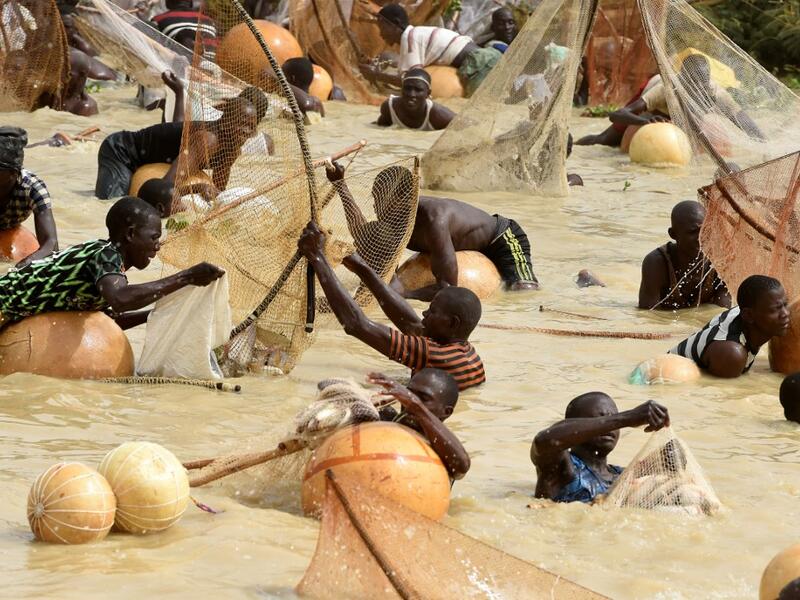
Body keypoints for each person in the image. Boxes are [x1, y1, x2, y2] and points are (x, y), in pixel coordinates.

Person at [298, 221, 486, 391]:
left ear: (452, 323)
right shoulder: (463, 352)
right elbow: (411, 326)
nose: (424, 312)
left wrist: (317, 258)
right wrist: (360, 266)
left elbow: (356, 324)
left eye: (433, 311)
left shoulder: (433, 354)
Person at [0, 197, 223, 330]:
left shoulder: (108, 266)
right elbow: (121, 300)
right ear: (131, 234)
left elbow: (108, 320)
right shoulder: (104, 255)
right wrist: (187, 277)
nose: (158, 244)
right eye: (154, 237)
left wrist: (156, 314)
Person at [325, 162, 538, 298]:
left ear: (404, 201)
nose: (375, 207)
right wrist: (341, 186)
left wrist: (404, 294)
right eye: (375, 200)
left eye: (381, 201)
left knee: (522, 291)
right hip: (468, 246)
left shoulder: (434, 219)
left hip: (501, 238)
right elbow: (364, 236)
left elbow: (448, 287)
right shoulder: (395, 219)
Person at [95, 77, 268, 199]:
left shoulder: (232, 150)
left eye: (252, 127)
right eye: (242, 123)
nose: (247, 131)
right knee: (111, 202)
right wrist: (198, 187)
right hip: (122, 152)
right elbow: (167, 187)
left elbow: (219, 191)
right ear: (224, 122)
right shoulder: (207, 140)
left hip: (145, 161)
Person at [530, 392, 670, 503]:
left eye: (612, 418)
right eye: (601, 419)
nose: (611, 427)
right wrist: (625, 418)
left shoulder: (619, 475)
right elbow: (545, 440)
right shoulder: (562, 469)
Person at [360, 3, 501, 97]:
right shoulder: (416, 35)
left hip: (480, 65)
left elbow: (410, 81)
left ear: (396, 24)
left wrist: (376, 75)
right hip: (485, 59)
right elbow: (406, 69)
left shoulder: (410, 38)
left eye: (382, 27)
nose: (380, 34)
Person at [668, 274, 790, 377]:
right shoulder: (732, 354)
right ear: (748, 315)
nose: (786, 314)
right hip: (668, 373)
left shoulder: (745, 315)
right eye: (775, 309)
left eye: (786, 305)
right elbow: (719, 397)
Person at [370, 369, 470, 480]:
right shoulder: (385, 418)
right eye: (408, 394)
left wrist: (417, 408)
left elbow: (461, 467)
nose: (409, 401)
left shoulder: (443, 449)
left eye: (423, 398)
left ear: (446, 412)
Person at [639, 200, 730, 310]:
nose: (701, 237)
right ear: (673, 234)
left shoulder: (721, 260)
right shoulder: (656, 263)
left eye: (705, 230)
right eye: (693, 232)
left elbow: (722, 312)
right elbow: (648, 316)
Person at [0, 127, 58, 267]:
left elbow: (51, 244)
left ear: (14, 174)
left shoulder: (33, 188)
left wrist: (26, 263)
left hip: (10, 232)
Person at [377, 68, 454, 131]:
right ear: (401, 89)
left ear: (428, 93)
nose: (411, 94)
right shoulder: (389, 108)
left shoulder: (439, 116)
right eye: (407, 88)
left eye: (418, 90)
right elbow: (379, 130)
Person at [151, 0, 218, 59]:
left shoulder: (159, 19)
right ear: (190, 2)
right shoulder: (210, 21)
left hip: (179, 66)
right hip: (211, 66)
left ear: (168, 2)